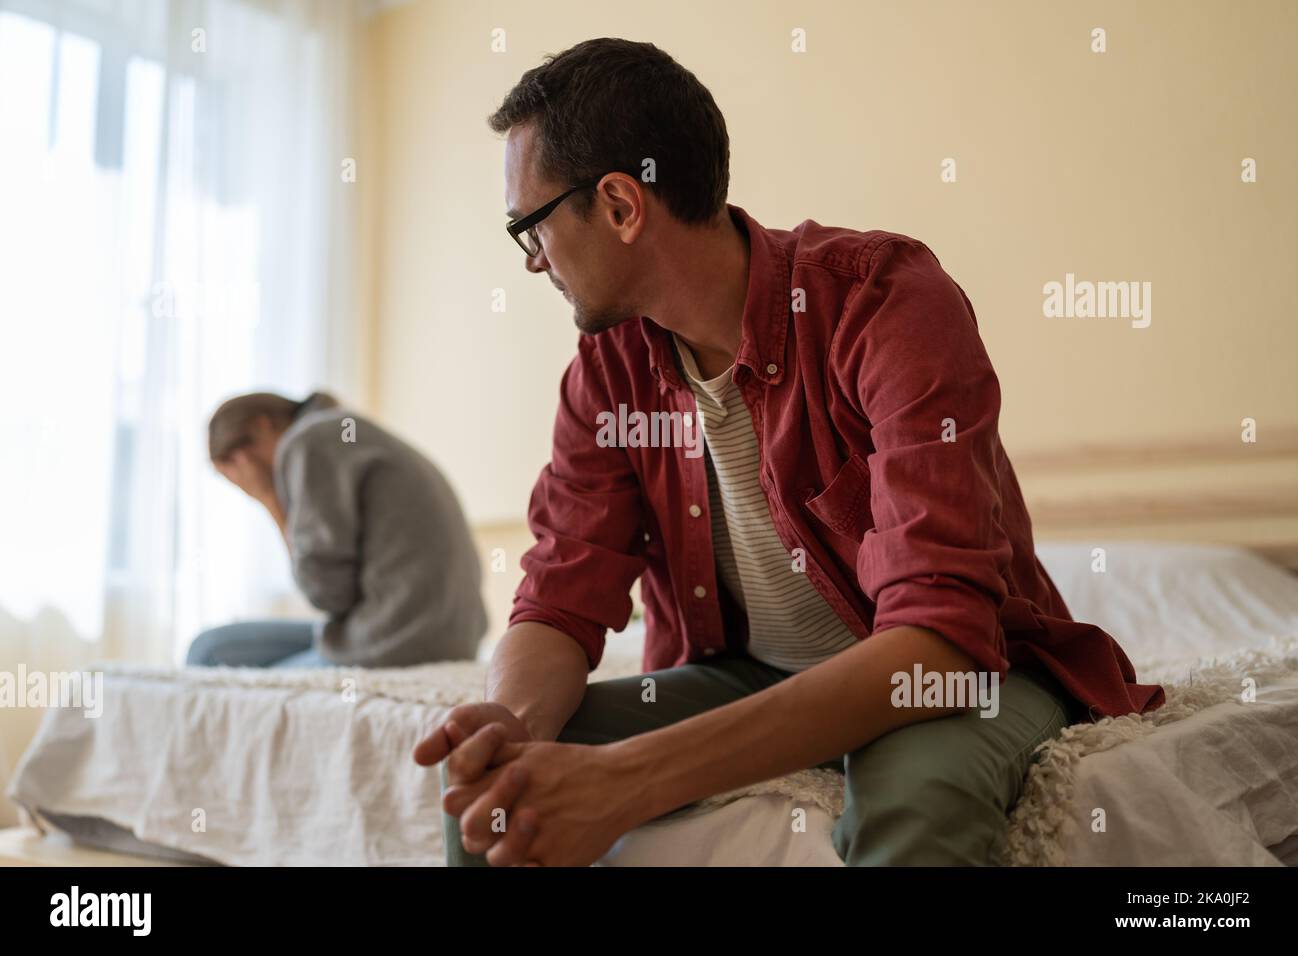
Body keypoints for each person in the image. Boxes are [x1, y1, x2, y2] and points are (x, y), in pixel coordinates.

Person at [416, 38, 1165, 867]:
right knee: (493, 791)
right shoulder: (608, 372)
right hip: (748, 671)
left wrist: (631, 778)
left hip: (965, 673)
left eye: (531, 225)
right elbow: (560, 597)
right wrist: (512, 724)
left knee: (920, 802)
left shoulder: (883, 303)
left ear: (622, 205)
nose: (531, 261)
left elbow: (938, 636)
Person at [187, 390, 487, 669]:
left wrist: (268, 497)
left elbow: (327, 593)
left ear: (263, 425)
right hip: (446, 636)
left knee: (208, 654)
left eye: (238, 466)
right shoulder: (341, 429)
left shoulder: (308, 441)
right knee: (210, 645)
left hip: (397, 639)